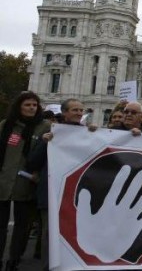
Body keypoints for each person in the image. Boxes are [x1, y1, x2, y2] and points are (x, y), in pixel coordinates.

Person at [25, 98, 94, 271]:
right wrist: (44, 142)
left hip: (77, 194)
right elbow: (32, 163)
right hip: (51, 193)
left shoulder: (88, 134)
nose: (79, 113)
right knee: (50, 235)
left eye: (81, 110)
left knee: (76, 234)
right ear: (64, 113)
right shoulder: (51, 133)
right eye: (74, 110)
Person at [0, 91, 51, 271]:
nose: (31, 108)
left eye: (34, 105)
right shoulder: (6, 125)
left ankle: (14, 259)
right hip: (4, 180)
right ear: (19, 107)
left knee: (22, 226)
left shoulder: (45, 127)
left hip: (28, 182)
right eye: (27, 105)